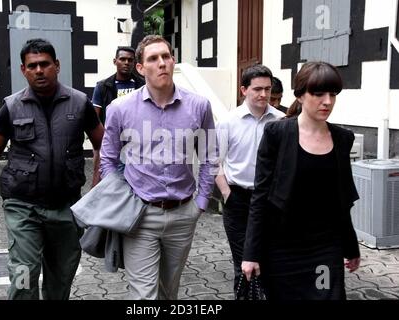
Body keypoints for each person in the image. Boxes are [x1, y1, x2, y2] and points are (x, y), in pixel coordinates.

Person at [0, 38, 104, 300]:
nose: (39, 70)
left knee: (61, 278)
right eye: (32, 66)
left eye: (45, 64)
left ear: (57, 66)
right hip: (23, 206)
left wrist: (96, 190)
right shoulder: (12, 106)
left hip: (67, 207)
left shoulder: (79, 103)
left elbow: (103, 147)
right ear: (23, 70)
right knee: (23, 274)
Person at [100, 35, 219, 300]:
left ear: (173, 61)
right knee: (145, 296)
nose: (162, 63)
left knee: (169, 292)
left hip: (182, 213)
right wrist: (120, 200)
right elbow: (108, 159)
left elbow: (211, 155)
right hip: (139, 214)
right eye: (153, 58)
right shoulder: (120, 109)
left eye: (166, 56)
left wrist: (200, 202)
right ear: (140, 68)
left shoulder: (199, 106)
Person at [241, 61, 361, 300]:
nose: (327, 101)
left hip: (325, 249)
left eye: (333, 94)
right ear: (301, 95)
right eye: (318, 94)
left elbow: (342, 200)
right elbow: (261, 197)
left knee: (326, 295)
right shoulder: (277, 134)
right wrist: (251, 253)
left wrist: (351, 247)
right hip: (283, 249)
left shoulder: (342, 139)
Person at [215, 64, 284, 296]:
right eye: (257, 89)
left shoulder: (282, 121)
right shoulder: (228, 121)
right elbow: (215, 162)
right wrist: (227, 194)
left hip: (272, 201)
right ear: (244, 90)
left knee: (270, 262)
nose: (264, 94)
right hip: (239, 201)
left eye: (267, 88)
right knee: (244, 264)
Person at [92, 46, 145, 124]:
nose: (126, 63)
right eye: (122, 59)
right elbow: (94, 119)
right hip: (112, 133)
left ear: (134, 63)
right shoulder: (103, 86)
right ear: (115, 61)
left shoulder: (143, 85)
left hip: (136, 133)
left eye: (130, 60)